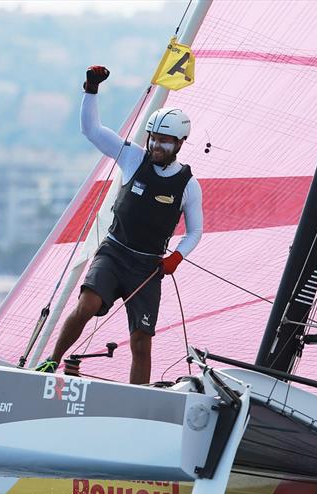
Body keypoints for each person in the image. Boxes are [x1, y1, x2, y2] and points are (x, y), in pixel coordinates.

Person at [35, 66, 203, 384]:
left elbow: (195, 231)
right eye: (154, 139)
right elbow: (92, 130)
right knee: (87, 305)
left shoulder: (188, 184)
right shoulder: (132, 158)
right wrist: (91, 89)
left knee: (141, 341)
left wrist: (176, 257)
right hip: (113, 253)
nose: (157, 147)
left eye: (165, 142)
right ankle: (50, 363)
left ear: (180, 143)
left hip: (148, 267)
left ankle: (137, 398)